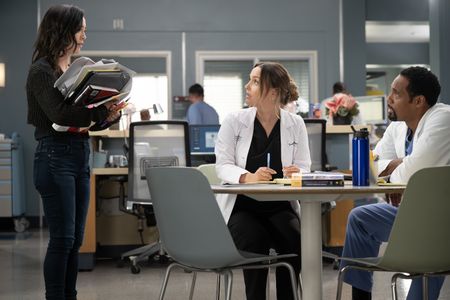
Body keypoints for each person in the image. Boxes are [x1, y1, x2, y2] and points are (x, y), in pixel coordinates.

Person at [26, 5, 120, 299]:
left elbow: (86, 121)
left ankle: (70, 295)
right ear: (63, 30)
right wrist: (97, 113)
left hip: (80, 154)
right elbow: (60, 115)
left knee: (75, 239)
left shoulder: (77, 68)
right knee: (63, 238)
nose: (84, 36)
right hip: (54, 156)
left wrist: (110, 115)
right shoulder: (41, 71)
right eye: (81, 30)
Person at [341, 66, 450, 300]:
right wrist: (401, 165)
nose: (388, 99)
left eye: (396, 94)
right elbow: (374, 167)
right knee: (359, 218)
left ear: (419, 100)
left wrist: (401, 169)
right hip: (411, 215)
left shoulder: (443, 118)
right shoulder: (398, 125)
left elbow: (415, 173)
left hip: (441, 223)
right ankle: (361, 296)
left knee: (430, 248)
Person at [215, 62, 311, 300]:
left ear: (274, 91)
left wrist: (296, 173)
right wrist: (249, 177)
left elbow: (306, 167)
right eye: (250, 79)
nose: (248, 86)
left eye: (255, 81)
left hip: (280, 206)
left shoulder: (295, 124)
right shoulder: (234, 121)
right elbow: (222, 165)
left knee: (296, 241)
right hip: (242, 207)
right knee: (254, 240)